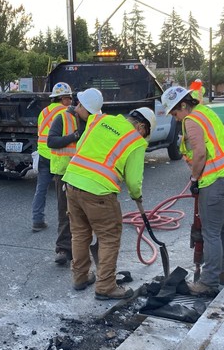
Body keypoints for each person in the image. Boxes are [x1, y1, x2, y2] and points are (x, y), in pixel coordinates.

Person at [62, 106, 156, 300]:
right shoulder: (135, 140)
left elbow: (81, 148)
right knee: (109, 237)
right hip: (99, 192)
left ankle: (80, 277)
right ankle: (105, 286)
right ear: (141, 127)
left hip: (72, 182)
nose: (144, 138)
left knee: (79, 233)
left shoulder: (99, 120)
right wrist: (136, 196)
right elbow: (133, 180)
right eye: (146, 134)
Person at [161, 86, 224, 296]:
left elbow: (200, 153)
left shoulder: (192, 120)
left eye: (175, 112)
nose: (176, 118)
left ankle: (208, 283)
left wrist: (195, 178)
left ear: (183, 105)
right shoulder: (206, 112)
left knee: (211, 233)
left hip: (216, 179)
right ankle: (222, 274)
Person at [47, 88, 103, 265]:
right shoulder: (62, 118)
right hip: (64, 173)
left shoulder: (92, 121)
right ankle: (63, 249)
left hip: (85, 174)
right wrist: (74, 136)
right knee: (65, 213)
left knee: (86, 214)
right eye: (89, 112)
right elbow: (51, 141)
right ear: (80, 106)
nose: (91, 116)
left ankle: (82, 247)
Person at [31, 82, 73, 232]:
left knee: (41, 189)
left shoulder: (44, 112)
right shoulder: (66, 112)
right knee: (63, 193)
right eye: (69, 98)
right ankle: (66, 222)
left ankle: (37, 220)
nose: (71, 101)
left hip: (42, 154)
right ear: (63, 98)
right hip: (58, 156)